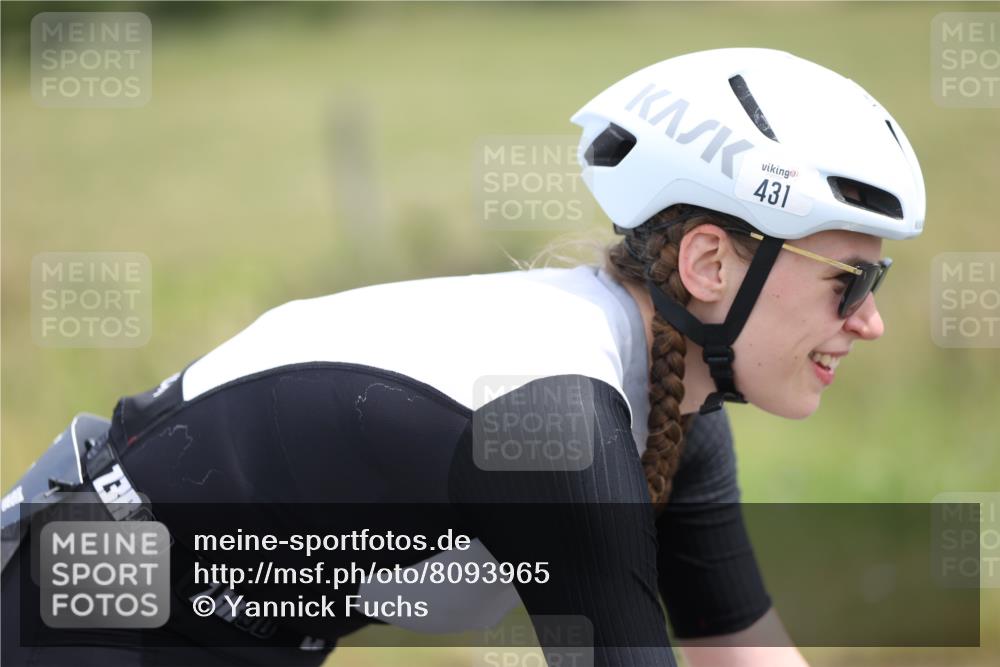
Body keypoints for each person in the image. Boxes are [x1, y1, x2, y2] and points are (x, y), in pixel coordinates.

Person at [2, 47, 924, 667]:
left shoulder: (671, 402)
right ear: (711, 262)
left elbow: (743, 651)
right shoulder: (557, 416)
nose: (870, 320)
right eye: (850, 279)